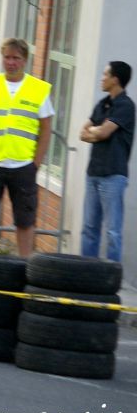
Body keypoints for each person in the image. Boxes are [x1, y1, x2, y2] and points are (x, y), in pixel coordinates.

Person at [0, 38, 54, 257]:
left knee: (25, 218)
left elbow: (46, 129)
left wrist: (36, 163)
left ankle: (24, 263)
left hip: (23, 164)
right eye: (7, 57)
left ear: (25, 60)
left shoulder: (38, 89)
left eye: (16, 58)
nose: (11, 62)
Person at [80, 61, 134, 262]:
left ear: (115, 79)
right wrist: (98, 132)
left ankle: (110, 277)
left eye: (105, 74)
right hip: (93, 173)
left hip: (113, 175)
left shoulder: (126, 106)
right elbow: (82, 133)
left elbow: (103, 132)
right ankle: (88, 273)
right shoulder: (102, 104)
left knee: (112, 231)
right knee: (89, 228)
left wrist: (97, 131)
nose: (102, 78)